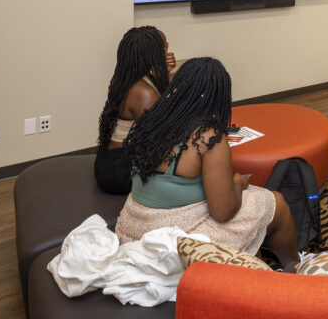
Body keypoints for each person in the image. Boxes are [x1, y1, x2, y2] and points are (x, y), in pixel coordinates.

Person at [115, 58, 299, 267]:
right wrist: (238, 183)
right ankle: (294, 266)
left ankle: (257, 255)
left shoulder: (149, 121)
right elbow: (222, 213)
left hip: (133, 230)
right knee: (275, 201)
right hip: (176, 243)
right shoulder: (207, 138)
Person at [95, 26, 175, 195]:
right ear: (150, 54)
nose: (167, 49)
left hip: (109, 160)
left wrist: (163, 73)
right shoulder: (143, 93)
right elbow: (162, 135)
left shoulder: (125, 78)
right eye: (163, 47)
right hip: (120, 173)